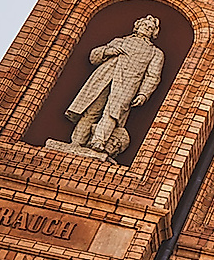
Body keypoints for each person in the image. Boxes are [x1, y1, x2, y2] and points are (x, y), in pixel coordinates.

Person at [51, 15, 167, 159]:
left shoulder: (155, 53)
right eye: (144, 25)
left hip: (127, 84)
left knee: (112, 114)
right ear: (137, 26)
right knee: (91, 110)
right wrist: (108, 51)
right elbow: (94, 56)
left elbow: (153, 76)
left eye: (150, 28)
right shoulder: (120, 41)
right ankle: (77, 143)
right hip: (104, 78)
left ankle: (98, 142)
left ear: (153, 33)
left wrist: (143, 94)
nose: (146, 29)